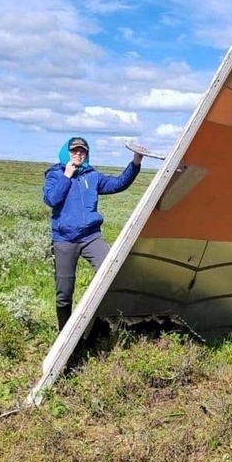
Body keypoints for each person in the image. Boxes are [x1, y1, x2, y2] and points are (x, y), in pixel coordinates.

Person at [43, 136, 144, 331]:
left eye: (82, 151)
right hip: (64, 240)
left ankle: (100, 323)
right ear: (67, 152)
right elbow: (51, 199)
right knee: (64, 292)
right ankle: (64, 334)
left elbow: (118, 184)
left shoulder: (92, 175)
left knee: (110, 272)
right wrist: (67, 176)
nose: (78, 154)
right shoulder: (55, 174)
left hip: (91, 237)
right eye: (74, 151)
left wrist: (136, 161)